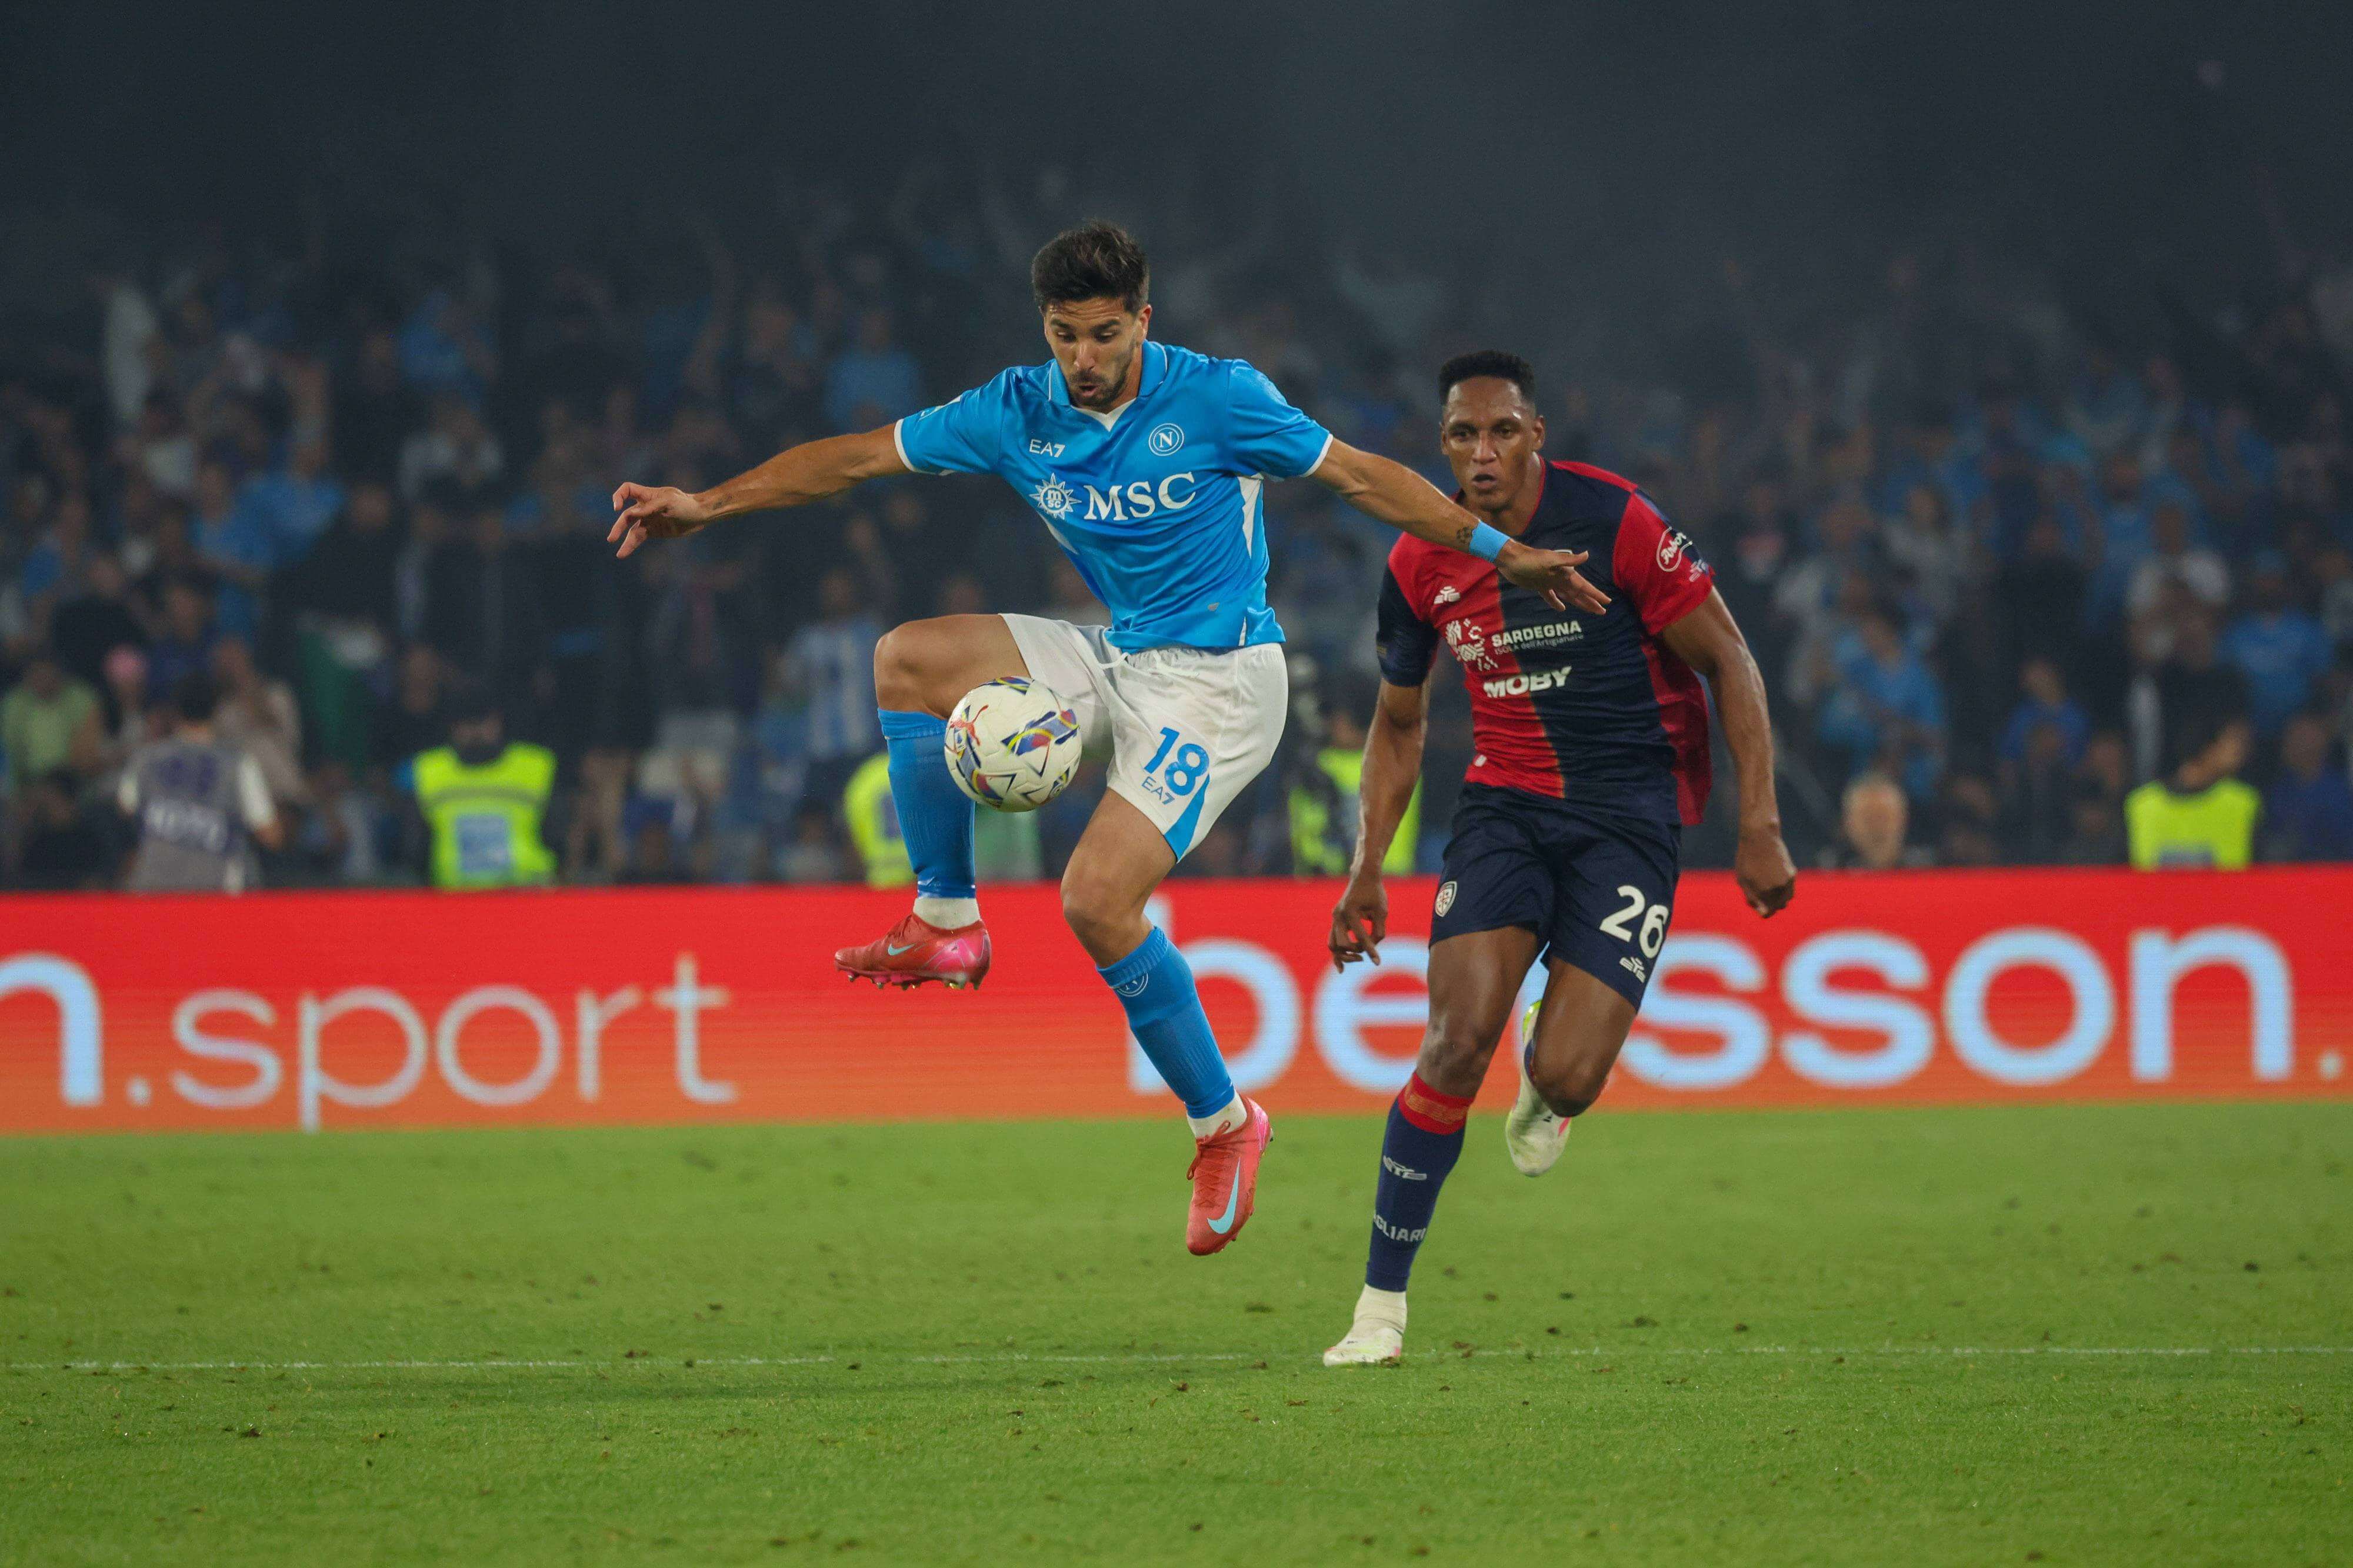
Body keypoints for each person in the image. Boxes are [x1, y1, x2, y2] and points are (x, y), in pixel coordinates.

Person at [609, 223, 1605, 1257]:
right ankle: (946, 917)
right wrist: (708, 506)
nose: (1081, 358)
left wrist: (1504, 551)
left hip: (1222, 685)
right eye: (1062, 335)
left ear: (1143, 319)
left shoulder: (1219, 396)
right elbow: (855, 459)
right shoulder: (1014, 409)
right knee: (905, 658)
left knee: (1093, 898)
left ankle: (1226, 1126)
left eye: (1101, 333)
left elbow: (1362, 476)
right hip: (1120, 656)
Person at [1319, 351, 1795, 1366]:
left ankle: (1549, 1063)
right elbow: (1398, 724)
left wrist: (1760, 822)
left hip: (1632, 817)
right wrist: (1368, 862)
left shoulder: (1615, 519)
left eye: (1501, 431)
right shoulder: (1421, 559)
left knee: (1571, 1079)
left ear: (1537, 434)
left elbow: (1731, 660)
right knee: (1452, 1043)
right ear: (1442, 444)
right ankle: (1378, 1309)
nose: (1481, 453)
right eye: (1461, 435)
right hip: (1505, 806)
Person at [116, 670, 284, 892]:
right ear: (216, 710)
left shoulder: (146, 758)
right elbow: (270, 834)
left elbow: (125, 808)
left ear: (175, 710)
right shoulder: (237, 764)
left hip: (154, 894)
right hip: (214, 898)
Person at [403, 683, 558, 889]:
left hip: (528, 899)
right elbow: (415, 849)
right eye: (467, 722)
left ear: (499, 721)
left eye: (482, 720)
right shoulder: (429, 771)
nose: (475, 730)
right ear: (453, 726)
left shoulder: (536, 766)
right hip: (454, 904)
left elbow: (559, 838)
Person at [2124, 715, 2259, 870]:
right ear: (2208, 747)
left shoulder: (2244, 802)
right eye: (2234, 740)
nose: (2242, 749)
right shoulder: (2141, 805)